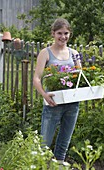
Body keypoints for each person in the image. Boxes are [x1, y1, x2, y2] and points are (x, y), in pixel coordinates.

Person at [33, 18, 82, 163]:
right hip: (52, 103)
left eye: (66, 33)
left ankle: (58, 166)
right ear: (53, 34)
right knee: (44, 144)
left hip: (72, 104)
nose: (63, 37)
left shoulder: (74, 53)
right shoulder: (45, 52)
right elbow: (36, 78)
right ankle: (39, 166)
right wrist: (44, 94)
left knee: (63, 145)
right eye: (59, 33)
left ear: (70, 34)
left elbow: (81, 76)